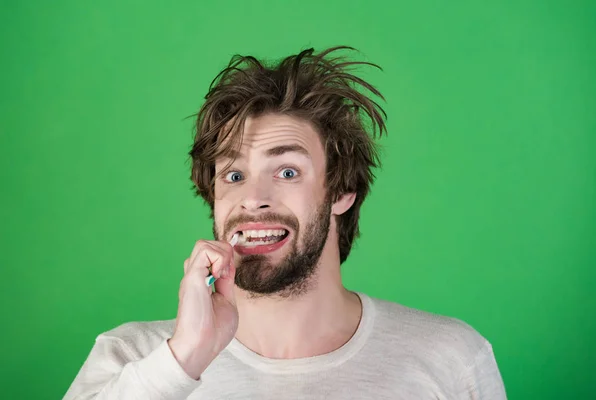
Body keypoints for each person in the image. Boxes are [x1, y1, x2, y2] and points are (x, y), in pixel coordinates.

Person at [64, 46, 507, 399]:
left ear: (341, 192)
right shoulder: (132, 359)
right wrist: (183, 359)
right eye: (233, 175)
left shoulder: (451, 358)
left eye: (288, 172)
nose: (253, 198)